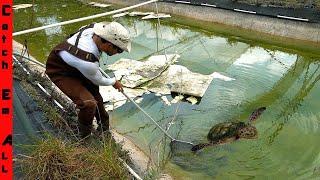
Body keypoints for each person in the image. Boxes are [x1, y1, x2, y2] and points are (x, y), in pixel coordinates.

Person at [45, 21, 131, 139]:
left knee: (97, 98)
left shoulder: (94, 30)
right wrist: (113, 82)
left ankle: (104, 129)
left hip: (77, 64)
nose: (118, 53)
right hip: (61, 70)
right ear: (109, 45)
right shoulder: (88, 62)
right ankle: (84, 137)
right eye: (119, 50)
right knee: (88, 104)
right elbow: (99, 80)